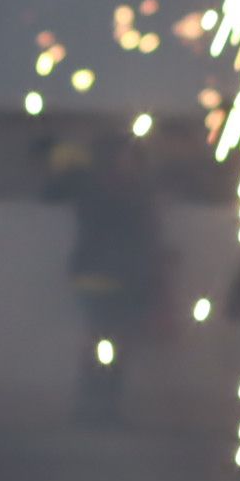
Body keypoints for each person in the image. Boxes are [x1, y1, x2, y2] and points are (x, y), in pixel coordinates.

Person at [46, 134, 167, 424]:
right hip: (104, 275)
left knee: (111, 342)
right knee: (104, 340)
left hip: (115, 275)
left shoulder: (109, 189)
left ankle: (100, 402)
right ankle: (97, 403)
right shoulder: (114, 191)